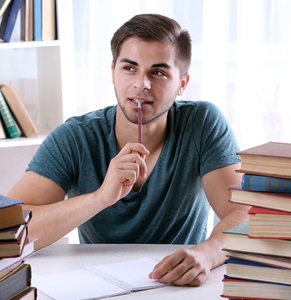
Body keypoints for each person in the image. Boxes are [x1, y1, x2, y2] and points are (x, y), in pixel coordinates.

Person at [6, 14, 249, 286]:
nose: (141, 84)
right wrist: (99, 197)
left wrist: (207, 254)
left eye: (158, 72)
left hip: (181, 286)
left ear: (182, 83)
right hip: (96, 286)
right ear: (112, 72)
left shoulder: (202, 123)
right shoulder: (75, 137)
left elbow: (245, 213)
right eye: (129, 68)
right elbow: (9, 228)